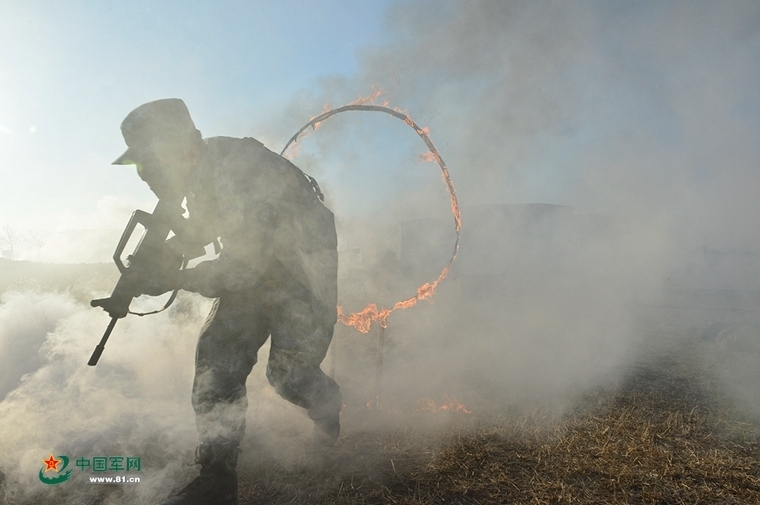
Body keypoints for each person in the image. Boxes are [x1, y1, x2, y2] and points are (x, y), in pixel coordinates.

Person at [112, 98, 341, 505]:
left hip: (301, 275)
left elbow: (243, 267)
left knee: (289, 377)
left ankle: (327, 406)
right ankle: (216, 479)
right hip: (254, 276)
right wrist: (156, 260)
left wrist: (173, 277)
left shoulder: (239, 168)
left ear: (176, 150)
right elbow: (202, 231)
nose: (145, 176)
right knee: (216, 361)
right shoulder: (199, 177)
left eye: (149, 162)